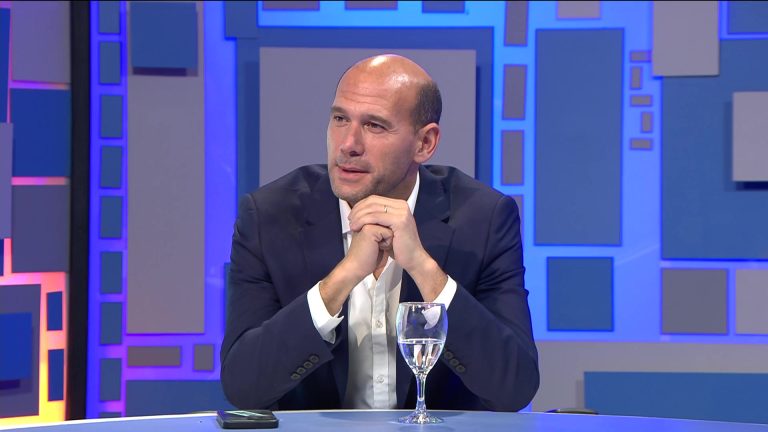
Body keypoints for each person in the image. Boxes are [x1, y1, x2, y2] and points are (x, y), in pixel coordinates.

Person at [221, 54, 539, 412]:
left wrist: (424, 268)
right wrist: (340, 280)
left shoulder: (484, 220)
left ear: (425, 143)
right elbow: (243, 387)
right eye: (340, 119)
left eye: (374, 125)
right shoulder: (269, 217)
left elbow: (514, 387)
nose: (348, 144)